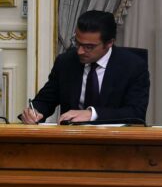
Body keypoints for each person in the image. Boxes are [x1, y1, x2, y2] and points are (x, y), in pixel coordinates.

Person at [21, 10, 149, 124]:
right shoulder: (65, 62)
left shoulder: (133, 66)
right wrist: (34, 112)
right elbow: (45, 100)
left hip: (115, 143)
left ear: (109, 43)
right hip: (71, 141)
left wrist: (91, 114)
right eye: (77, 43)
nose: (80, 51)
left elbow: (136, 112)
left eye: (89, 47)